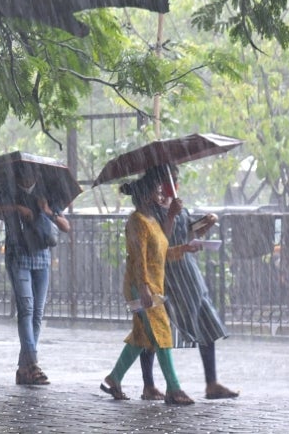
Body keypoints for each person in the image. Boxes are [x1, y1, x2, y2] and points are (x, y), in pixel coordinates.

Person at [137, 163, 240, 400]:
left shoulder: (178, 206)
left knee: (207, 322)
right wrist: (171, 215)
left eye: (175, 179)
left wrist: (206, 223)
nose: (173, 184)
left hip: (189, 273)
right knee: (156, 329)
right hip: (168, 275)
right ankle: (149, 384)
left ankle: (212, 383)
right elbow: (160, 241)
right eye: (169, 180)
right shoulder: (150, 212)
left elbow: (189, 232)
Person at [100, 165, 197, 405]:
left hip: (154, 285)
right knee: (162, 332)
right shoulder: (137, 222)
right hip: (142, 286)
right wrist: (143, 287)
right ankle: (174, 388)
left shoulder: (151, 220)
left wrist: (183, 248)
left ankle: (113, 379)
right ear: (146, 195)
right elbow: (139, 258)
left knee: (142, 337)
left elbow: (161, 252)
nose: (162, 195)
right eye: (157, 191)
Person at [0, 163, 71, 385]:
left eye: (31, 173)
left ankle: (24, 368)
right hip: (18, 257)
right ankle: (32, 363)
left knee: (37, 313)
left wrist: (47, 211)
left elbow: (66, 226)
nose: (28, 176)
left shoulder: (45, 194)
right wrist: (15, 208)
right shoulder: (7, 192)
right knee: (26, 309)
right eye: (23, 173)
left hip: (42, 258)